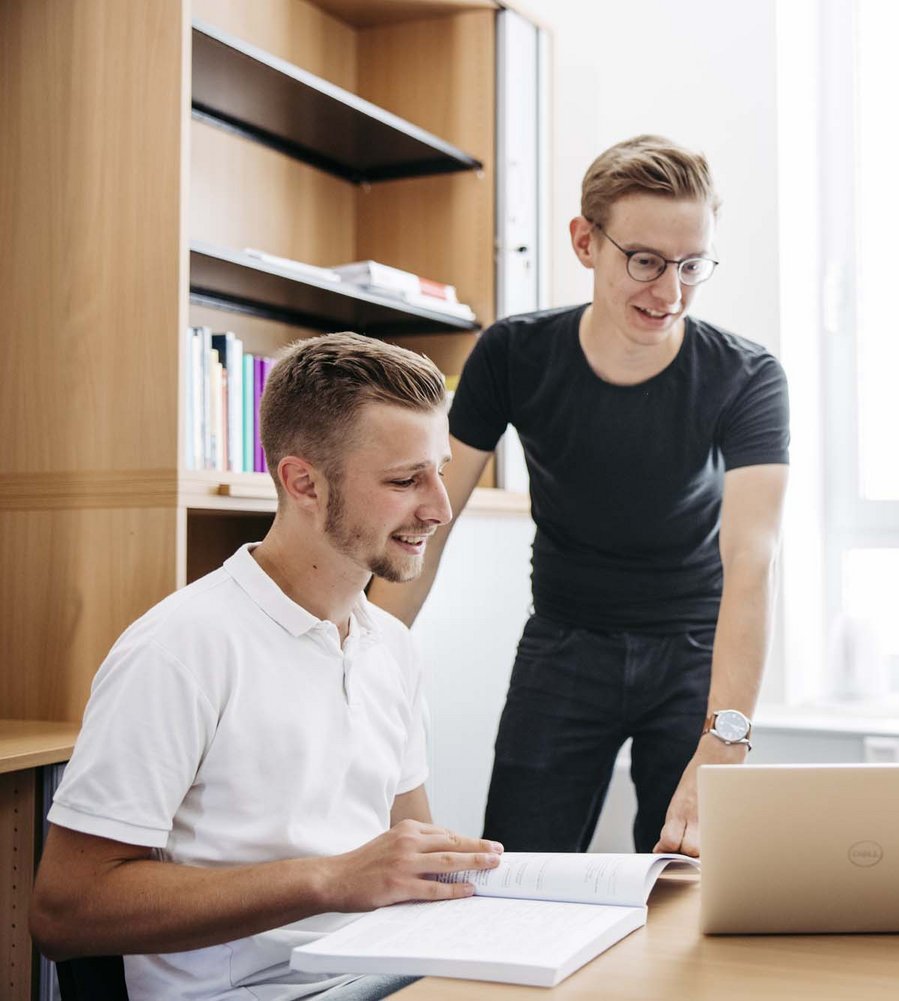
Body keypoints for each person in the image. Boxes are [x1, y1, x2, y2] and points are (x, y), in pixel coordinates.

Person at [30, 333, 504, 1001]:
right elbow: (64, 910)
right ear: (302, 481)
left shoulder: (391, 646)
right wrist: (329, 877)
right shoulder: (180, 648)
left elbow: (412, 867)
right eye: (405, 480)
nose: (439, 506)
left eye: (439, 469)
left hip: (380, 971)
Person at [369, 135, 790, 857]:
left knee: (690, 879)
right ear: (584, 242)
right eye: (647, 261)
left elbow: (750, 560)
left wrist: (728, 736)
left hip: (693, 648)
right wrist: (362, 670)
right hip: (563, 643)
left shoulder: (747, 376)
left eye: (693, 265)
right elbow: (428, 520)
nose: (670, 293)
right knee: (519, 869)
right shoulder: (513, 354)